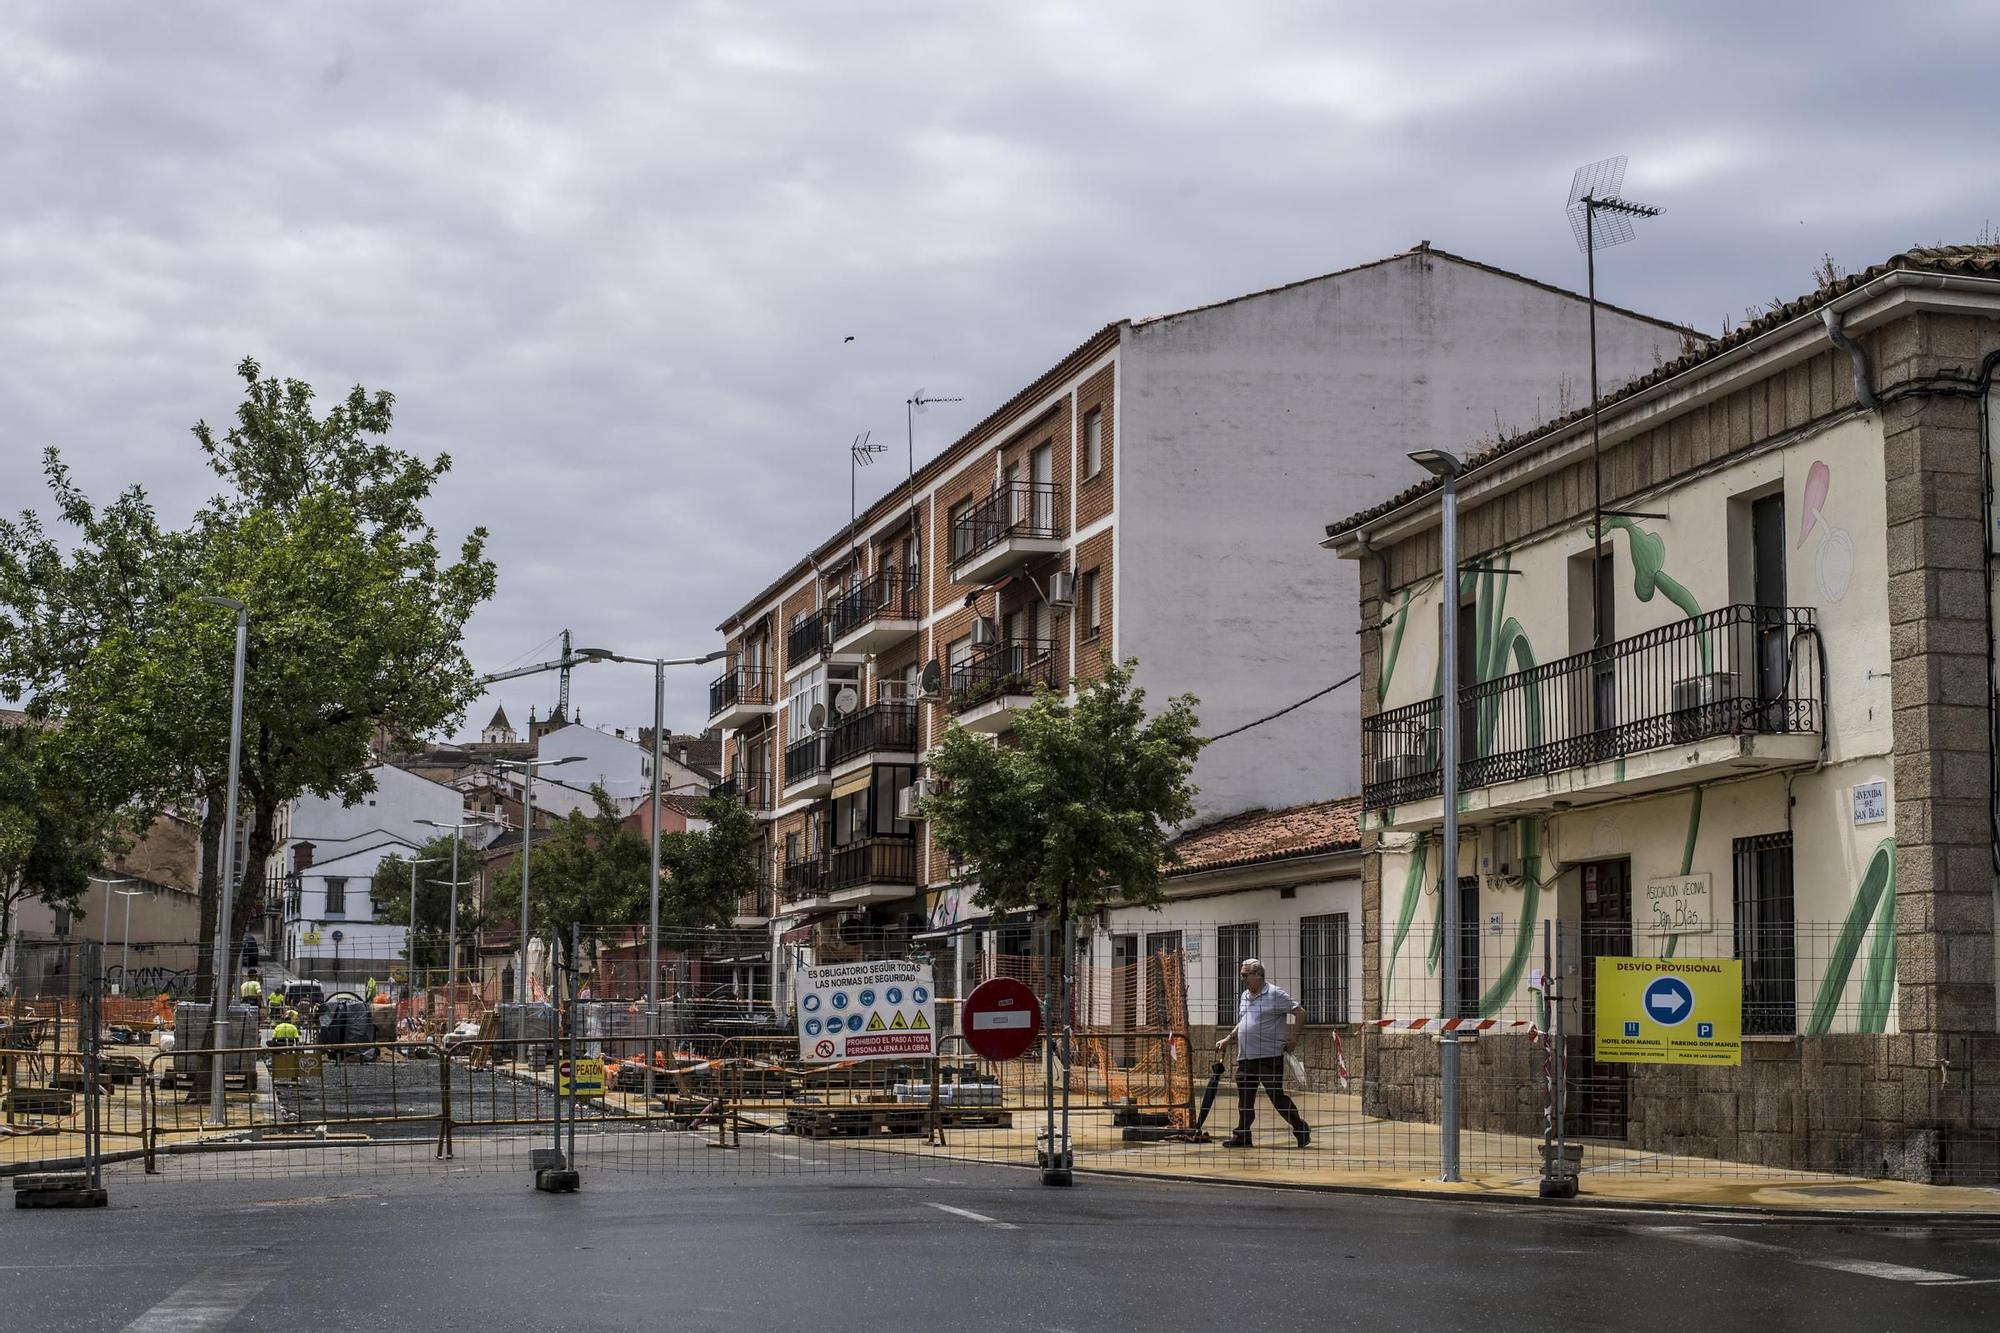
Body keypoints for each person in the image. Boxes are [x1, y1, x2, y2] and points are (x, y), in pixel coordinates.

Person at [1214, 958, 1311, 1148]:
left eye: (1245, 975)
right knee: (1244, 1101)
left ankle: (1300, 1128)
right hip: (1246, 1058)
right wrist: (1228, 1039)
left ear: (1258, 975)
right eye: (1241, 975)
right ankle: (1242, 1135)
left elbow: (1300, 1013)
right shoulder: (1244, 996)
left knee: (1277, 1097)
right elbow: (1243, 1023)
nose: (1242, 979)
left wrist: (1294, 1040)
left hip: (1269, 1057)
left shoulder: (1275, 994)